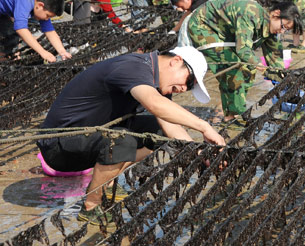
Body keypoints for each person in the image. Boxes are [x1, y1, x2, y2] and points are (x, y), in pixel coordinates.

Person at [36, 46, 226, 224]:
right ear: (175, 61)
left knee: (158, 132)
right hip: (59, 147)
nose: (185, 88)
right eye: (189, 81)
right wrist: (205, 127)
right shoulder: (134, 67)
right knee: (121, 141)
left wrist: (200, 153)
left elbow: (170, 126)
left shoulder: (156, 81)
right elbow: (154, 104)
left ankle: (106, 183)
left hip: (89, 139)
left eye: (190, 87)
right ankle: (91, 205)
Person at [181, 0, 302, 124]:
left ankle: (231, 112)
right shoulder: (251, 13)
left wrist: (286, 82)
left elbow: (276, 59)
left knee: (248, 70)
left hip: (224, 31)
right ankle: (234, 116)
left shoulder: (269, 27)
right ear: (276, 14)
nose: (282, 32)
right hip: (204, 26)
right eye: (283, 27)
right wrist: (262, 67)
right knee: (235, 70)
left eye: (286, 30)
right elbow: (243, 50)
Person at [0, 0, 71, 62]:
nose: (46, 19)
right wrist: (43, 52)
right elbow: (21, 29)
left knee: (11, 36)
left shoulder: (39, 1)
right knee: (10, 34)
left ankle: (5, 60)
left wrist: (62, 52)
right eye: (47, 15)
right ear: (40, 5)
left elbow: (50, 31)